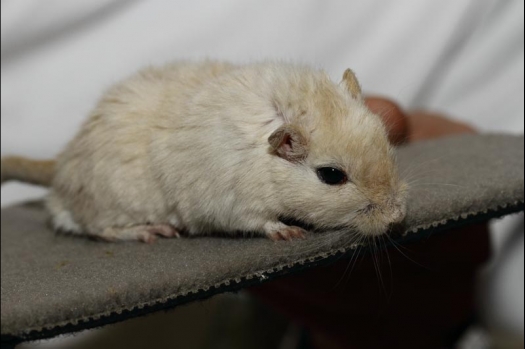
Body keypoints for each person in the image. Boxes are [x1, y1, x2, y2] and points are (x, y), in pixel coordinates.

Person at [1, 1, 523, 348]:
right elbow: (204, 205)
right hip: (112, 180)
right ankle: (99, 220)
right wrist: (262, 222)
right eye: (334, 176)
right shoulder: (235, 152)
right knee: (109, 184)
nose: (391, 209)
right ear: (284, 148)